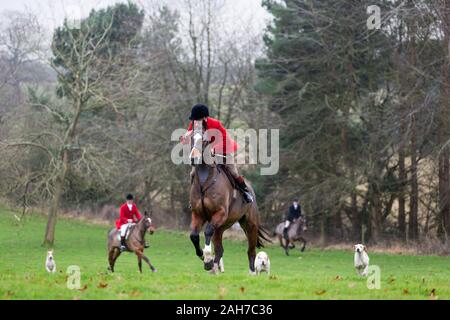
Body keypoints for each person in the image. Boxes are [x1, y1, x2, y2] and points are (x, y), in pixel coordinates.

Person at [180, 104, 254, 203]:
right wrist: (185, 137)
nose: (196, 122)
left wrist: (213, 150)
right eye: (195, 120)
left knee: (233, 171)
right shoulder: (194, 124)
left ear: (205, 118)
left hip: (223, 150)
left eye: (198, 119)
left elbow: (225, 140)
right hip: (204, 153)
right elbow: (186, 140)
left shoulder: (216, 124)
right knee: (193, 173)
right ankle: (194, 198)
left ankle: (245, 192)